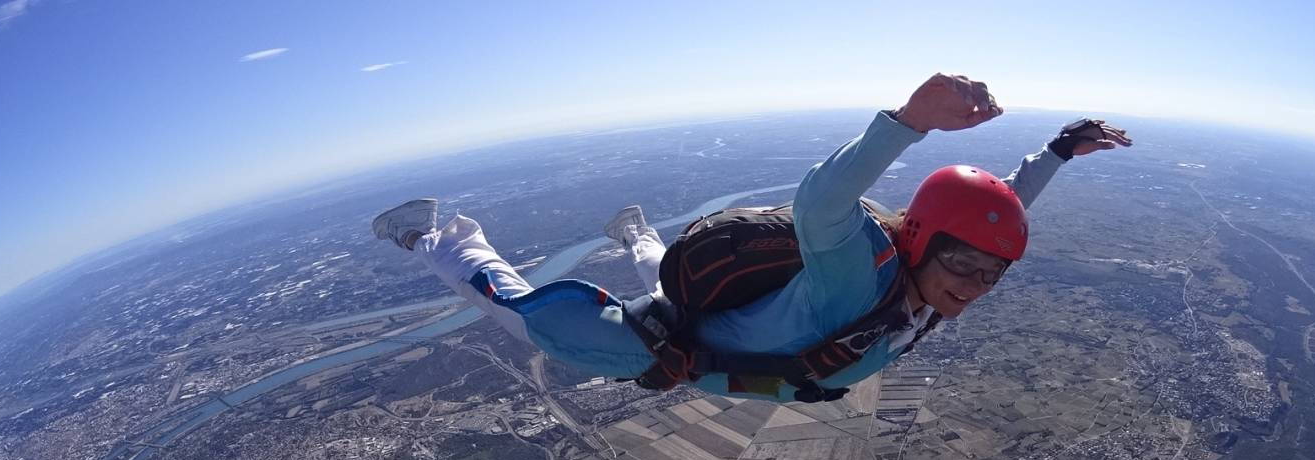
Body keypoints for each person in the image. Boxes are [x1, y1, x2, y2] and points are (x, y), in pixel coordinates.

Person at [372, 74, 1131, 402]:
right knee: (554, 330)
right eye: (963, 266)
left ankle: (637, 235)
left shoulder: (930, 279)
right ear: (923, 241)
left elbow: (997, 212)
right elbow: (823, 200)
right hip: (699, 359)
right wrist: (908, 121)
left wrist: (1059, 151)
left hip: (734, 340)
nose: (974, 284)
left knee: (667, 288)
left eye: (992, 275)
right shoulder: (861, 272)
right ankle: (436, 236)